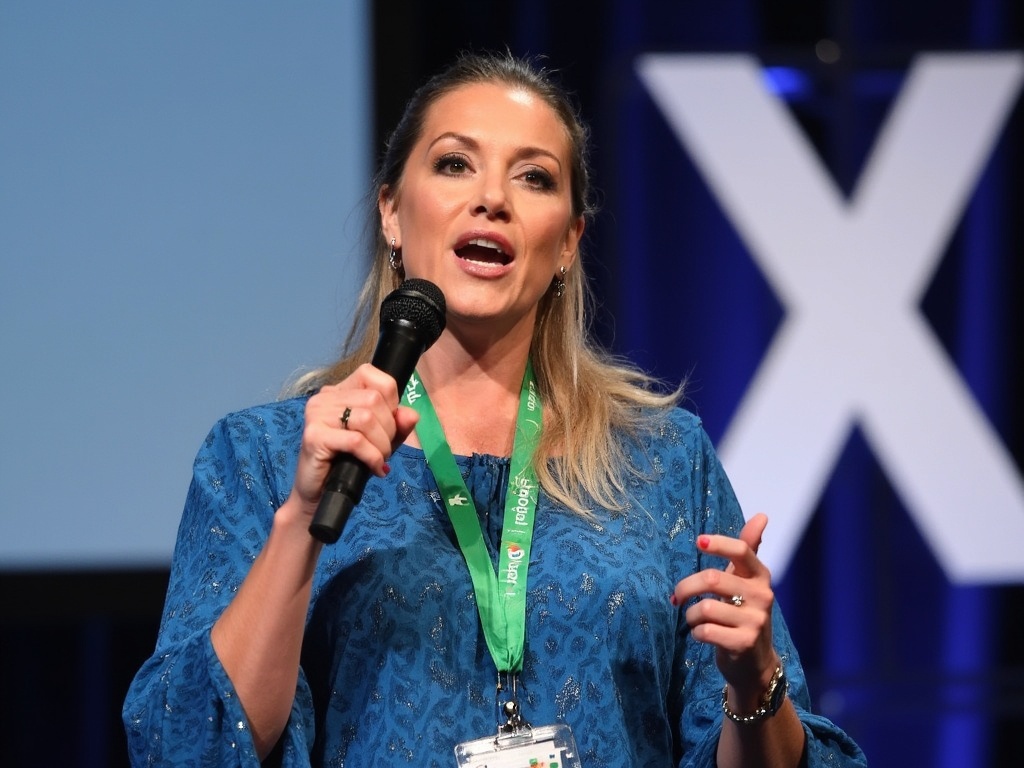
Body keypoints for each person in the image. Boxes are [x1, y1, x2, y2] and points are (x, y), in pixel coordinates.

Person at [123, 51, 867, 767]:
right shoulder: (264, 456)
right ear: (392, 211)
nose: (493, 199)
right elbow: (188, 747)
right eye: (455, 164)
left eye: (534, 177)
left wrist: (754, 683)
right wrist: (302, 520)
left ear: (568, 241)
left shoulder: (662, 461)